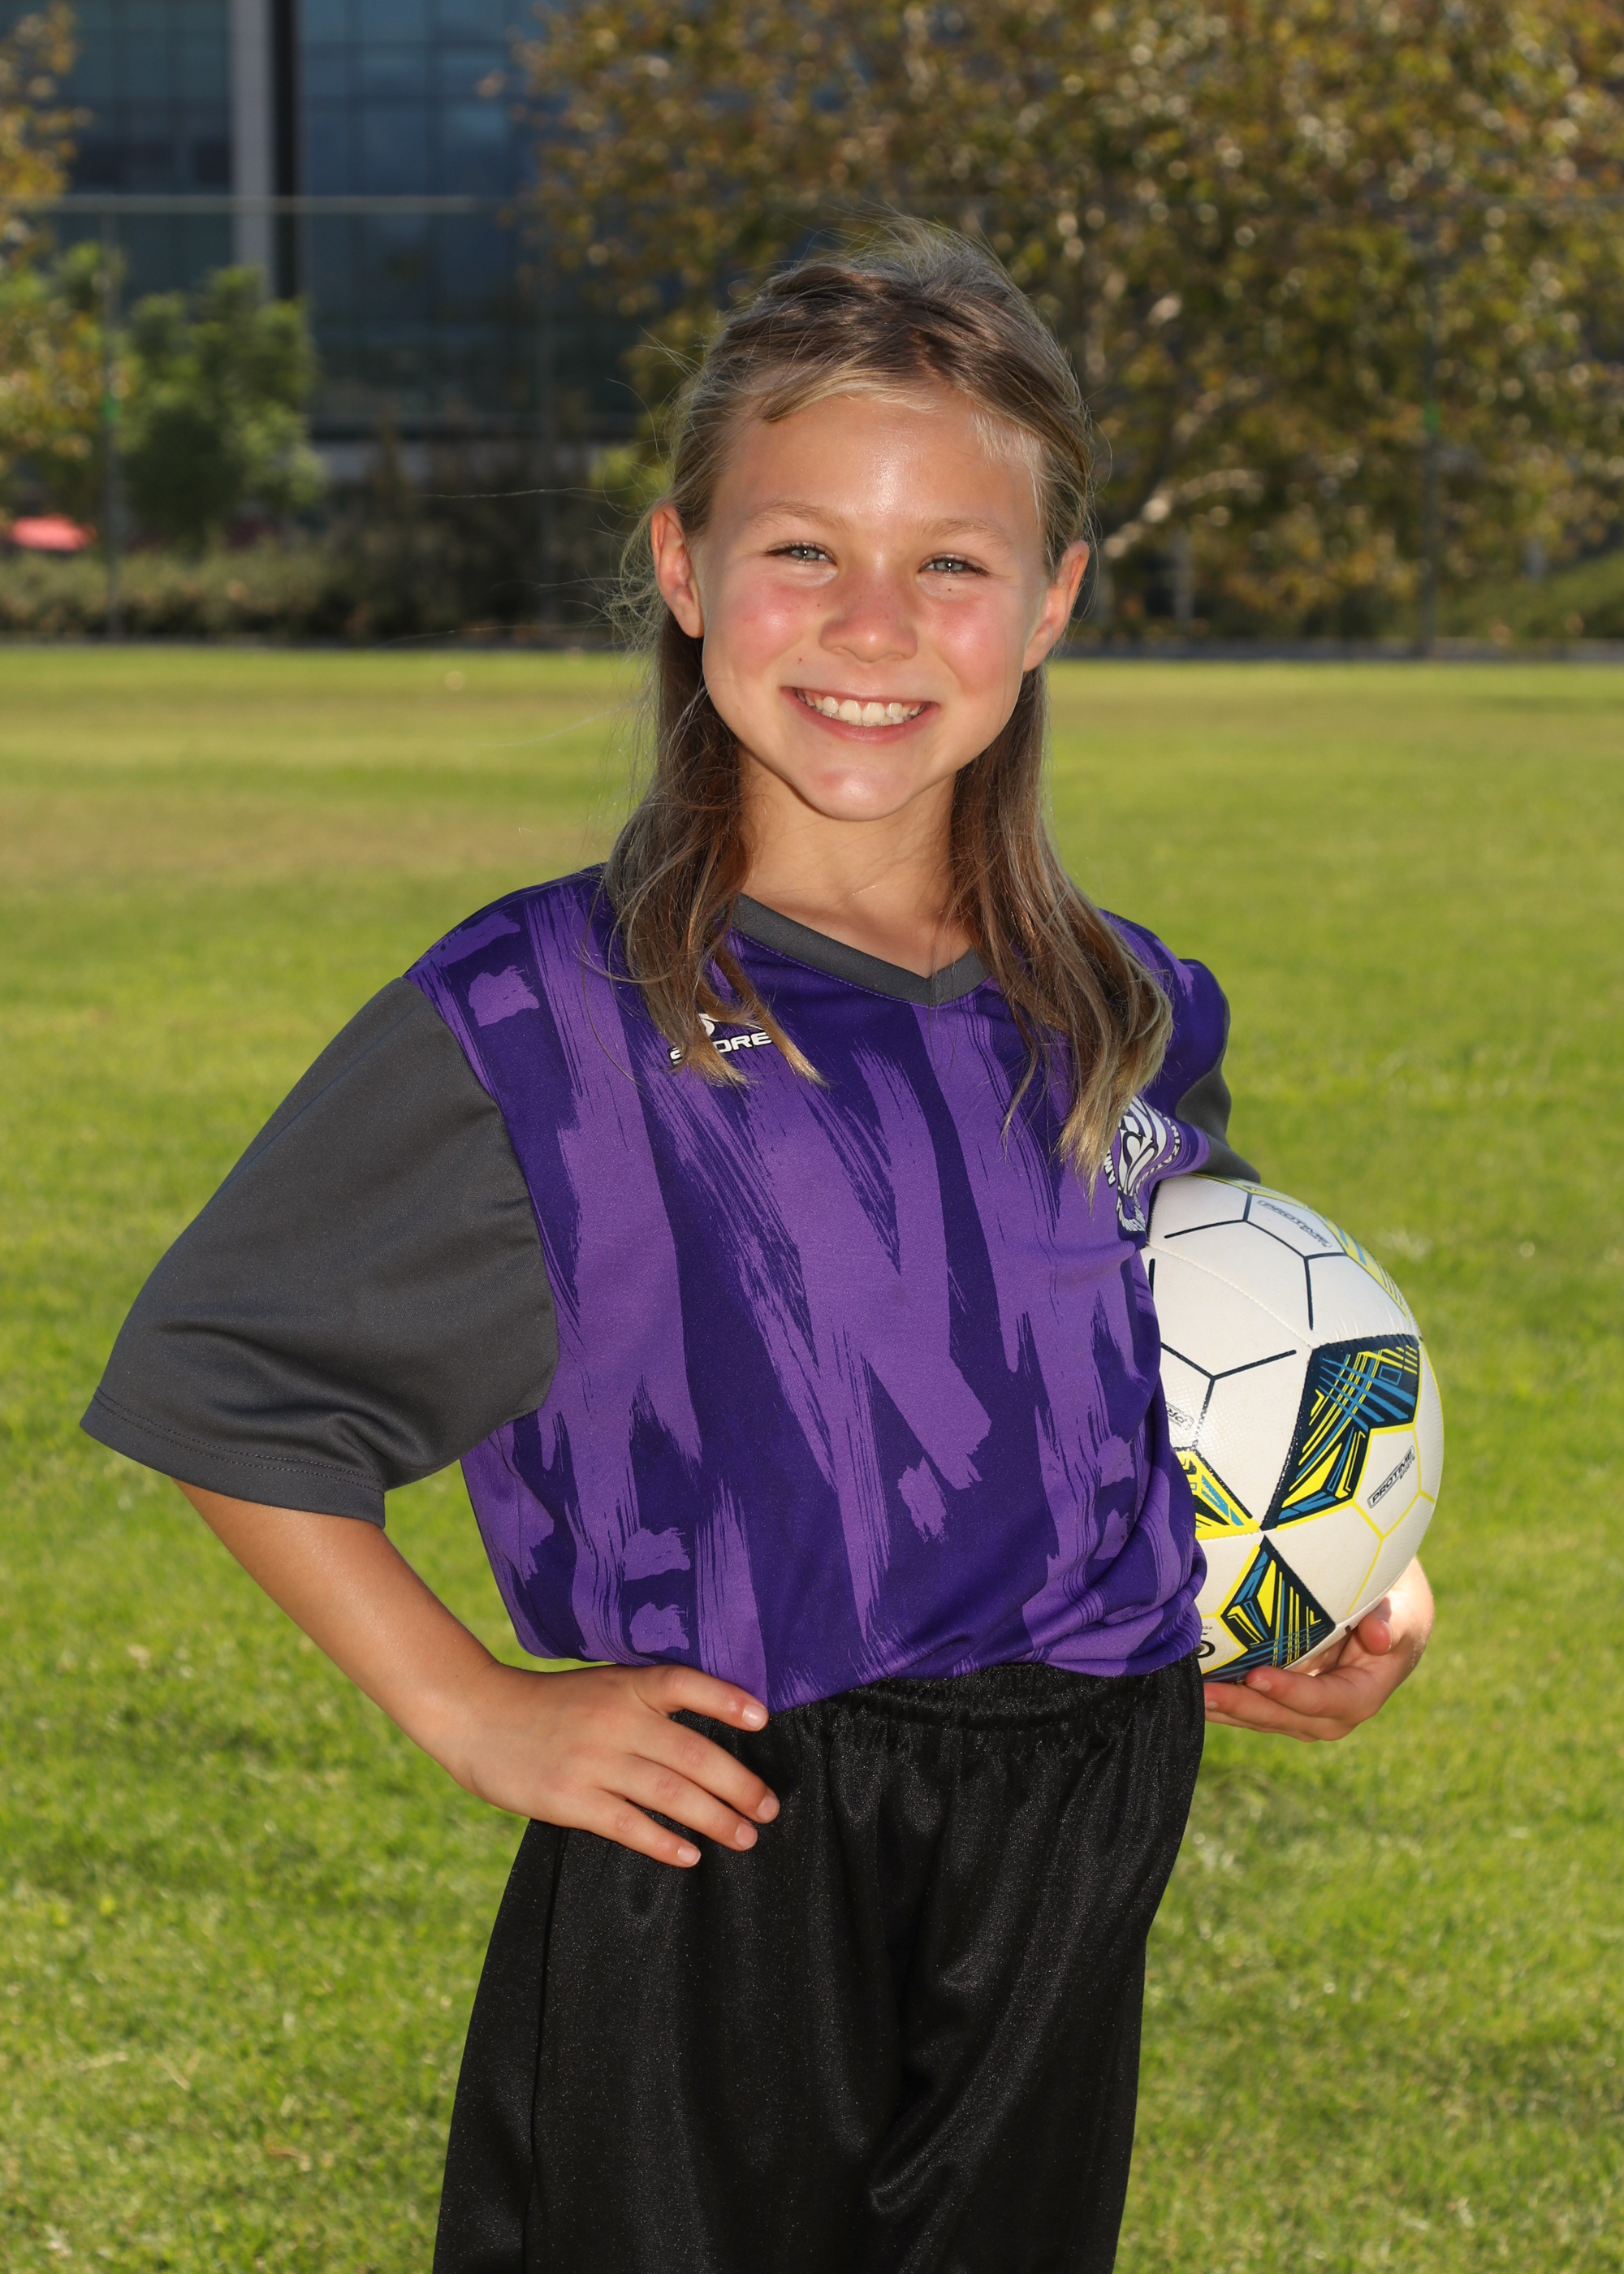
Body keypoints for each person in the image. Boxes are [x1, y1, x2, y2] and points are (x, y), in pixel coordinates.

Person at [82, 228, 1433, 2274]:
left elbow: (1195, 1329)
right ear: (684, 566)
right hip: (730, 1843)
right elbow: (225, 1374)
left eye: (952, 562)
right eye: (805, 550)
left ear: (1053, 598)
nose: (873, 624)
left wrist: (1331, 1548)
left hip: (1077, 1829)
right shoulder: (549, 1016)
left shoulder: (1119, 1004)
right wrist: (472, 1705)